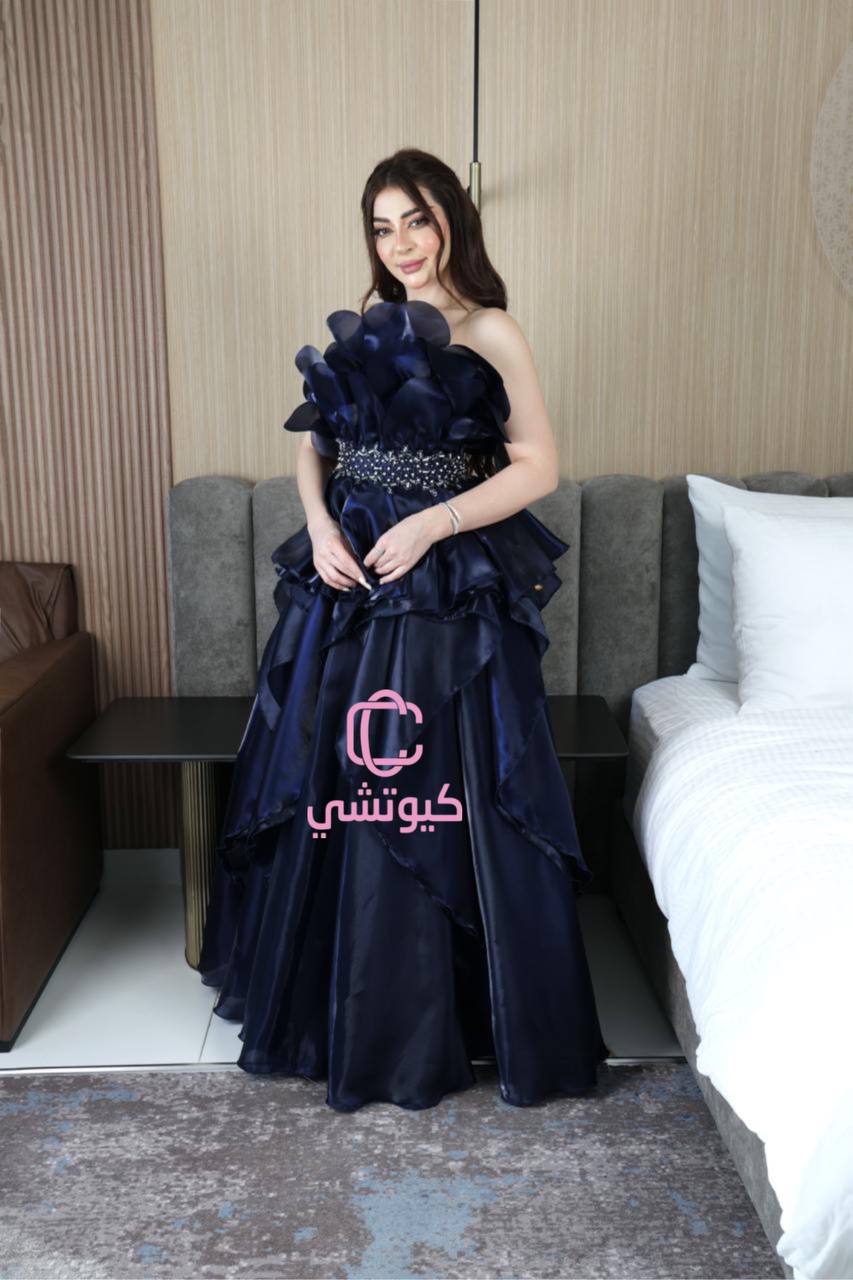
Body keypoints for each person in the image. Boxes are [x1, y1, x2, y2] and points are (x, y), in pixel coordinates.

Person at [198, 147, 610, 1112]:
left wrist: (432, 524)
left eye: (416, 220)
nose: (402, 243)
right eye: (383, 227)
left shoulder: (489, 328)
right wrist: (319, 526)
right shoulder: (370, 319)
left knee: (419, 782)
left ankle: (435, 1017)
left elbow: (537, 465)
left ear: (451, 218)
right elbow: (316, 447)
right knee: (329, 775)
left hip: (438, 579)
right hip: (347, 573)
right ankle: (336, 1005)